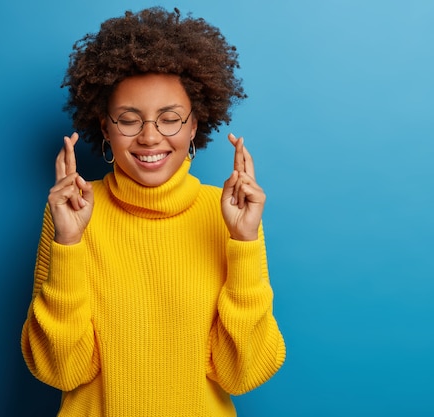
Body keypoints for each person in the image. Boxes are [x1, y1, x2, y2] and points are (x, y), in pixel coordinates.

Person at [21, 7, 286, 416]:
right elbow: (60, 371)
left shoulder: (228, 216)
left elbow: (241, 374)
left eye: (170, 119)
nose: (149, 137)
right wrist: (69, 243)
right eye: (128, 120)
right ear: (104, 128)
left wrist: (244, 242)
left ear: (195, 124)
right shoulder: (72, 213)